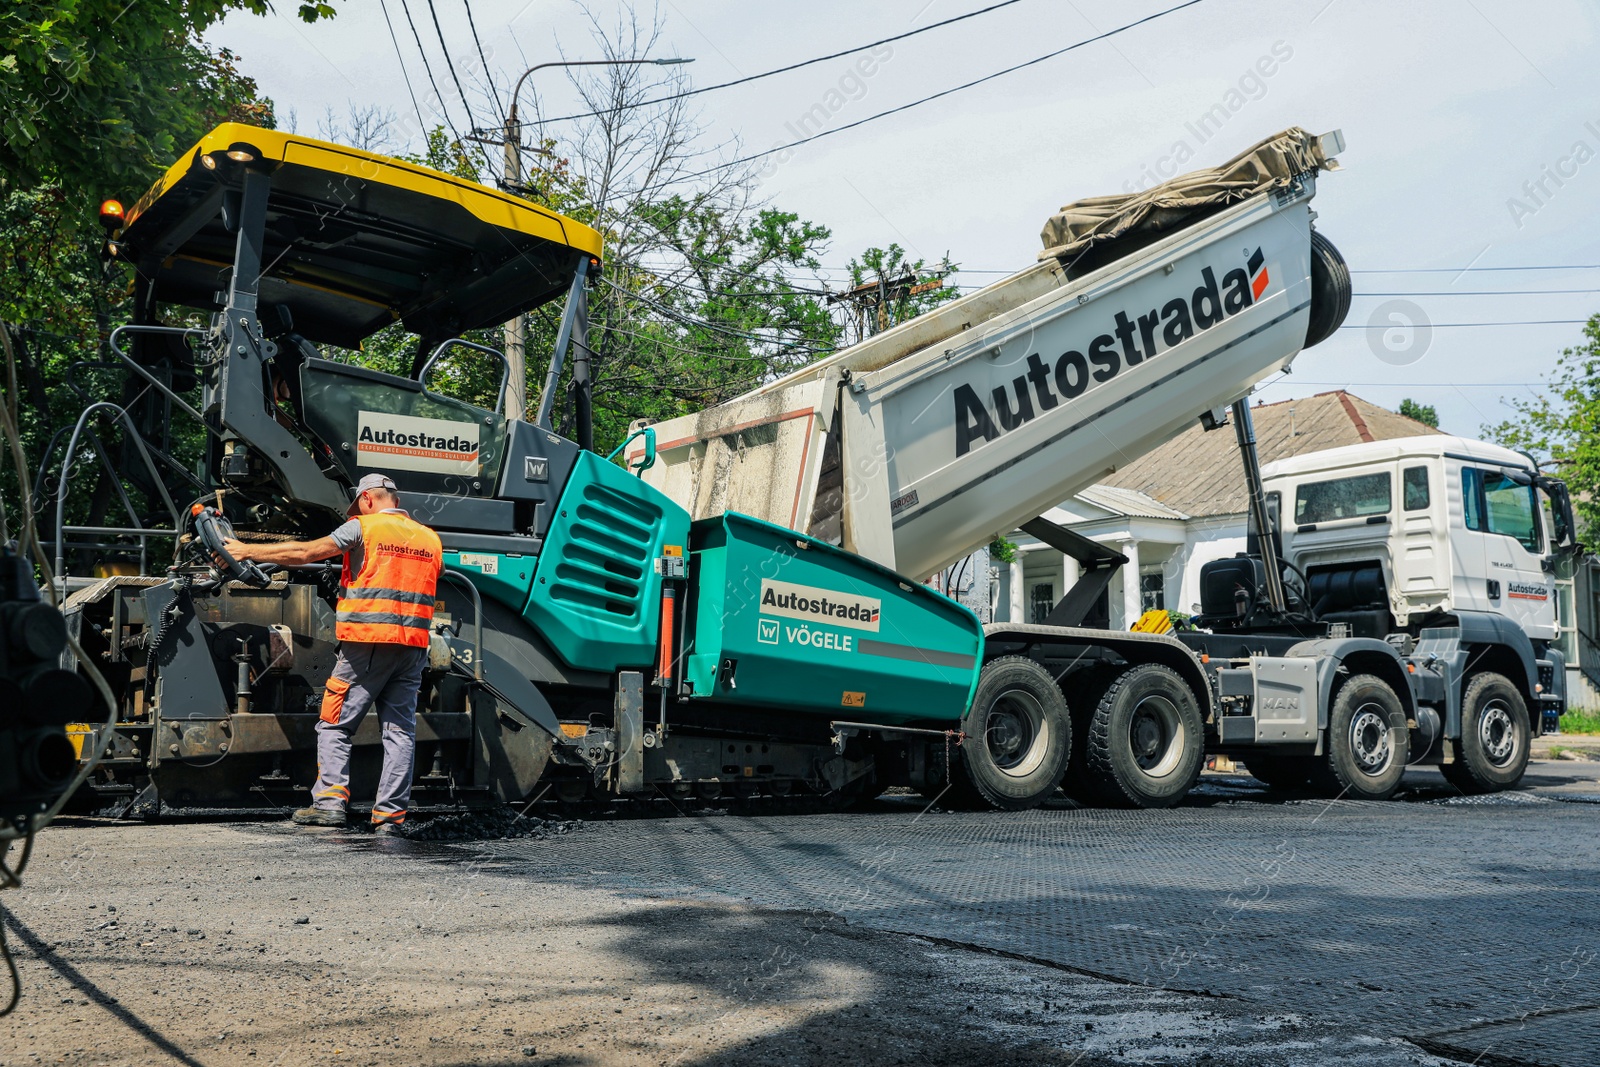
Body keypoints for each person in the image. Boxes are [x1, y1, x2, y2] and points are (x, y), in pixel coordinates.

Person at [220, 473, 442, 835]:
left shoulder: (363, 528)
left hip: (368, 643)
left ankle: (329, 804)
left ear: (368, 499)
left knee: (334, 724)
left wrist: (246, 551)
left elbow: (306, 552)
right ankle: (389, 818)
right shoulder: (430, 539)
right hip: (413, 648)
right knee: (400, 732)